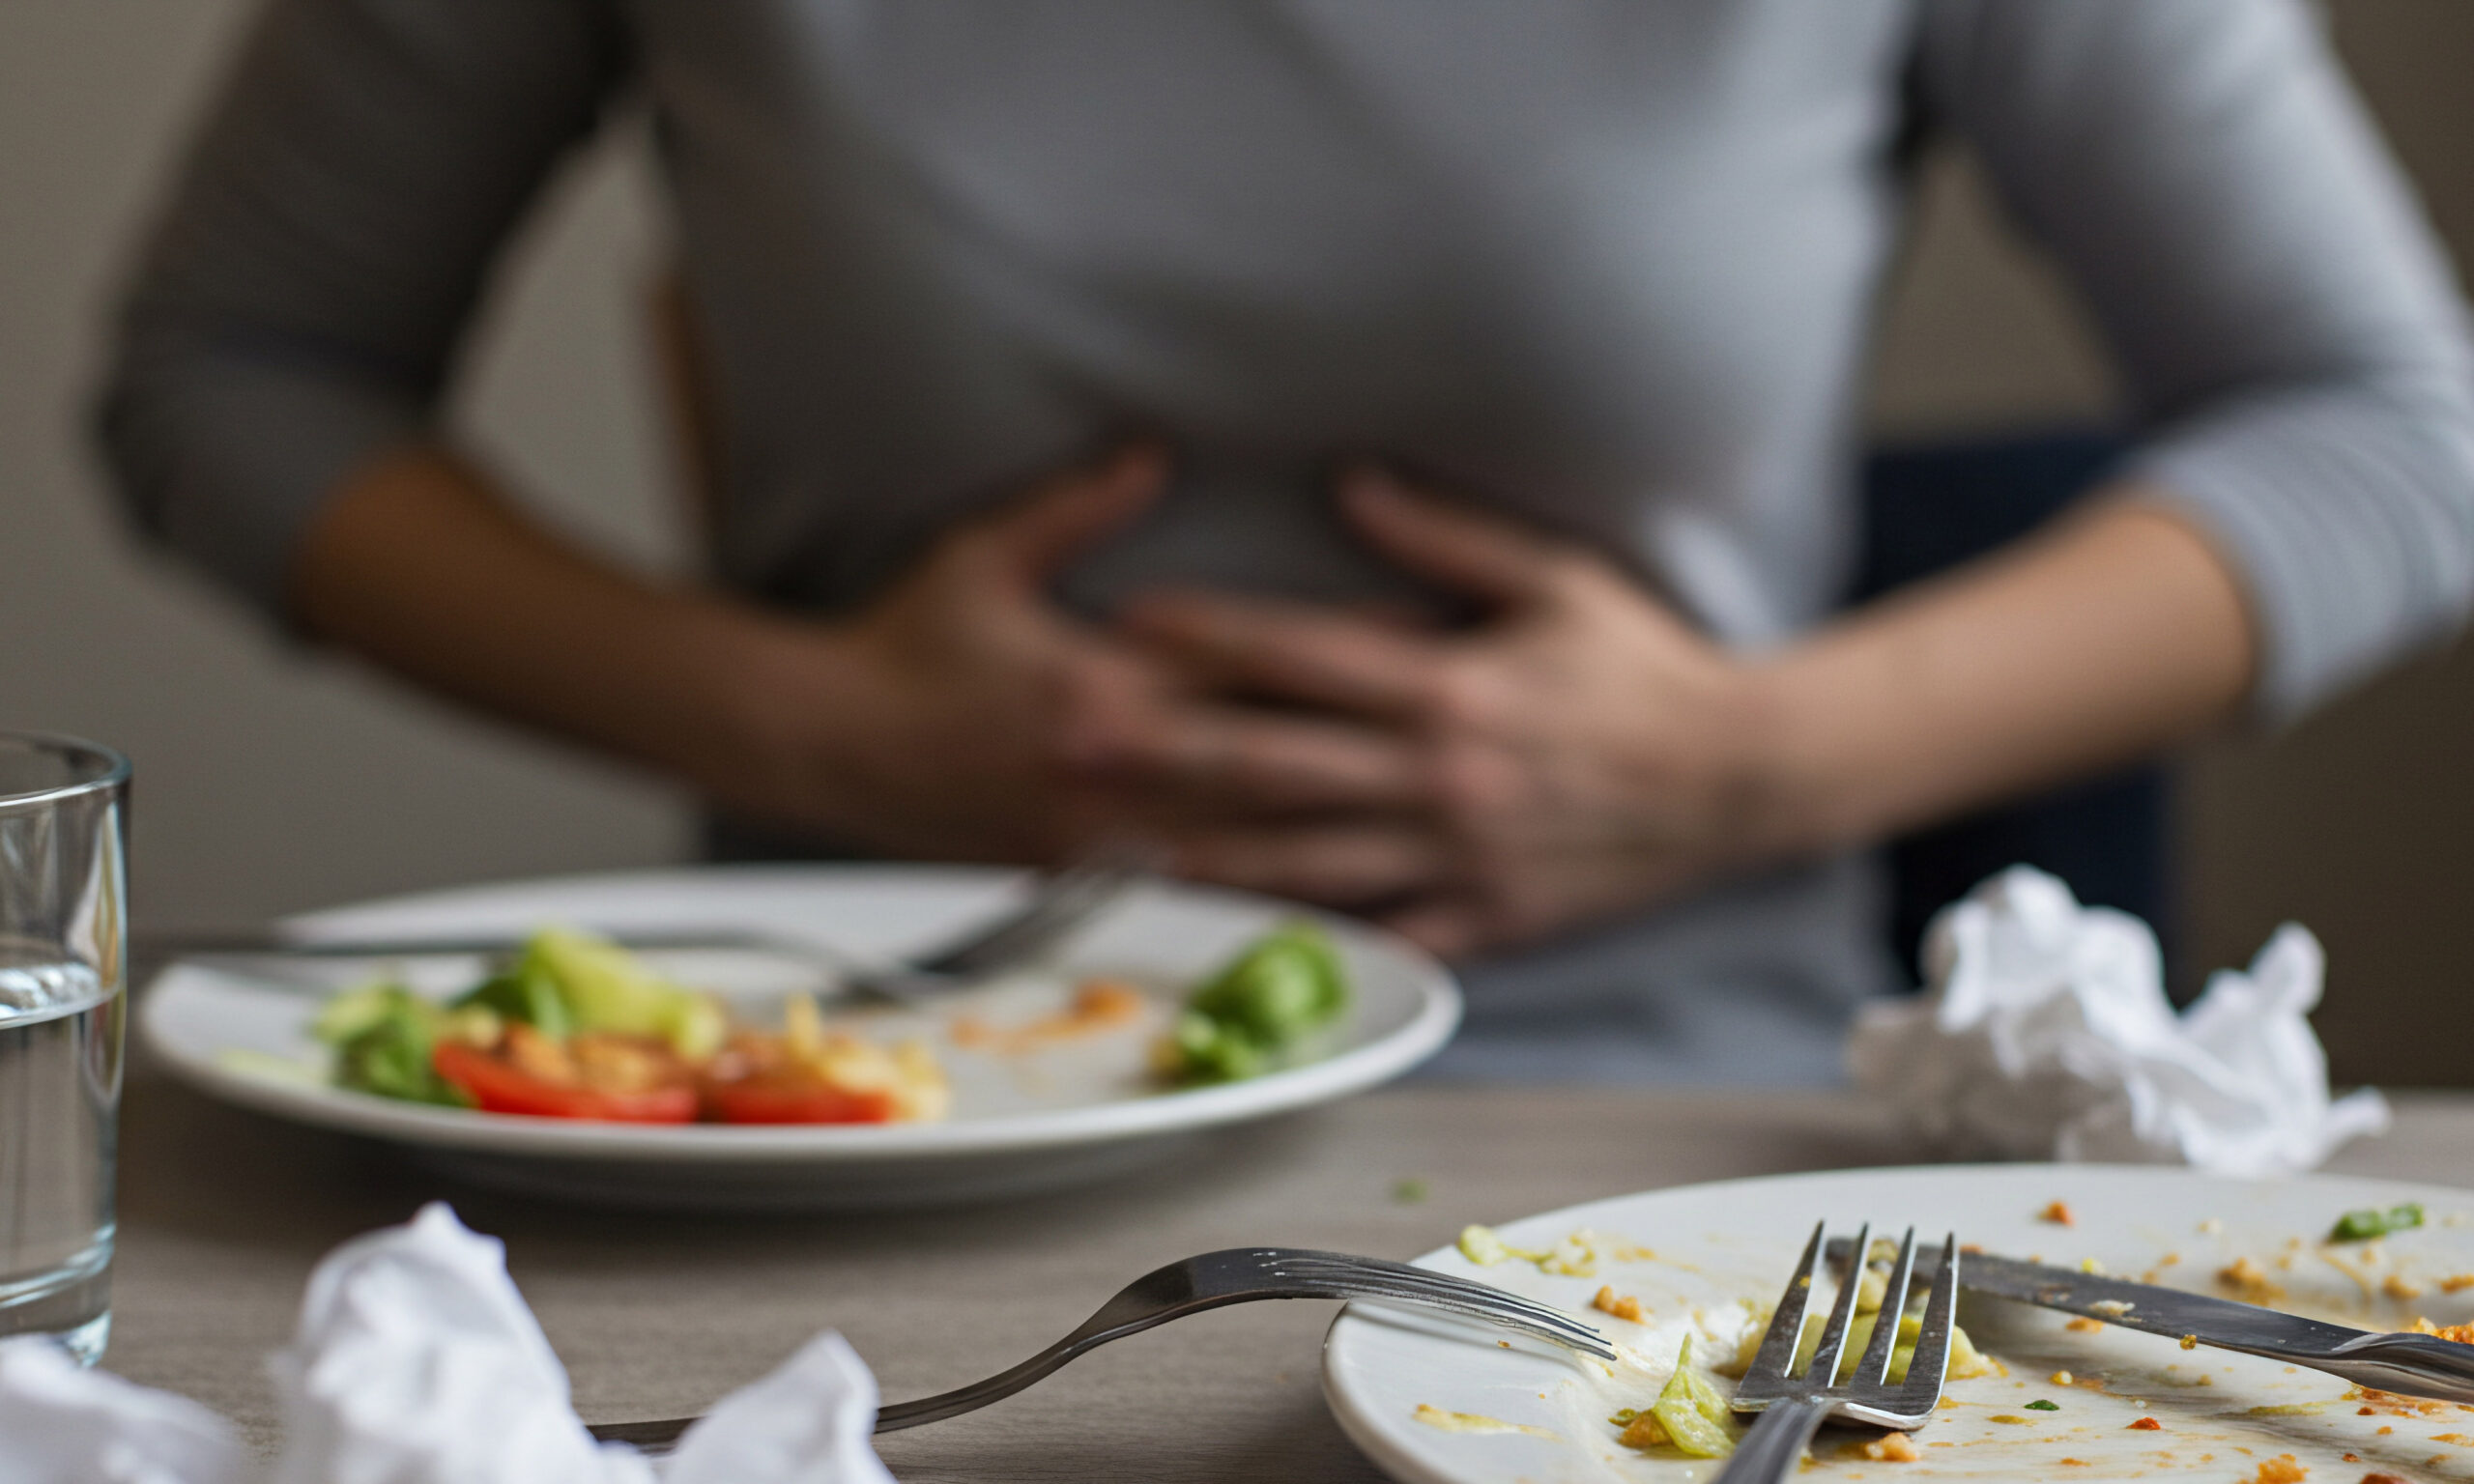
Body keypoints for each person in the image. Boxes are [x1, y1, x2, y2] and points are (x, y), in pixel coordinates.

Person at [99, 1, 2474, 1082]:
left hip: (1650, 1129)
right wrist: (795, 720)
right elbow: (231, 368)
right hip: (838, 1106)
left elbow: (2402, 432)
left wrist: (1755, 764)